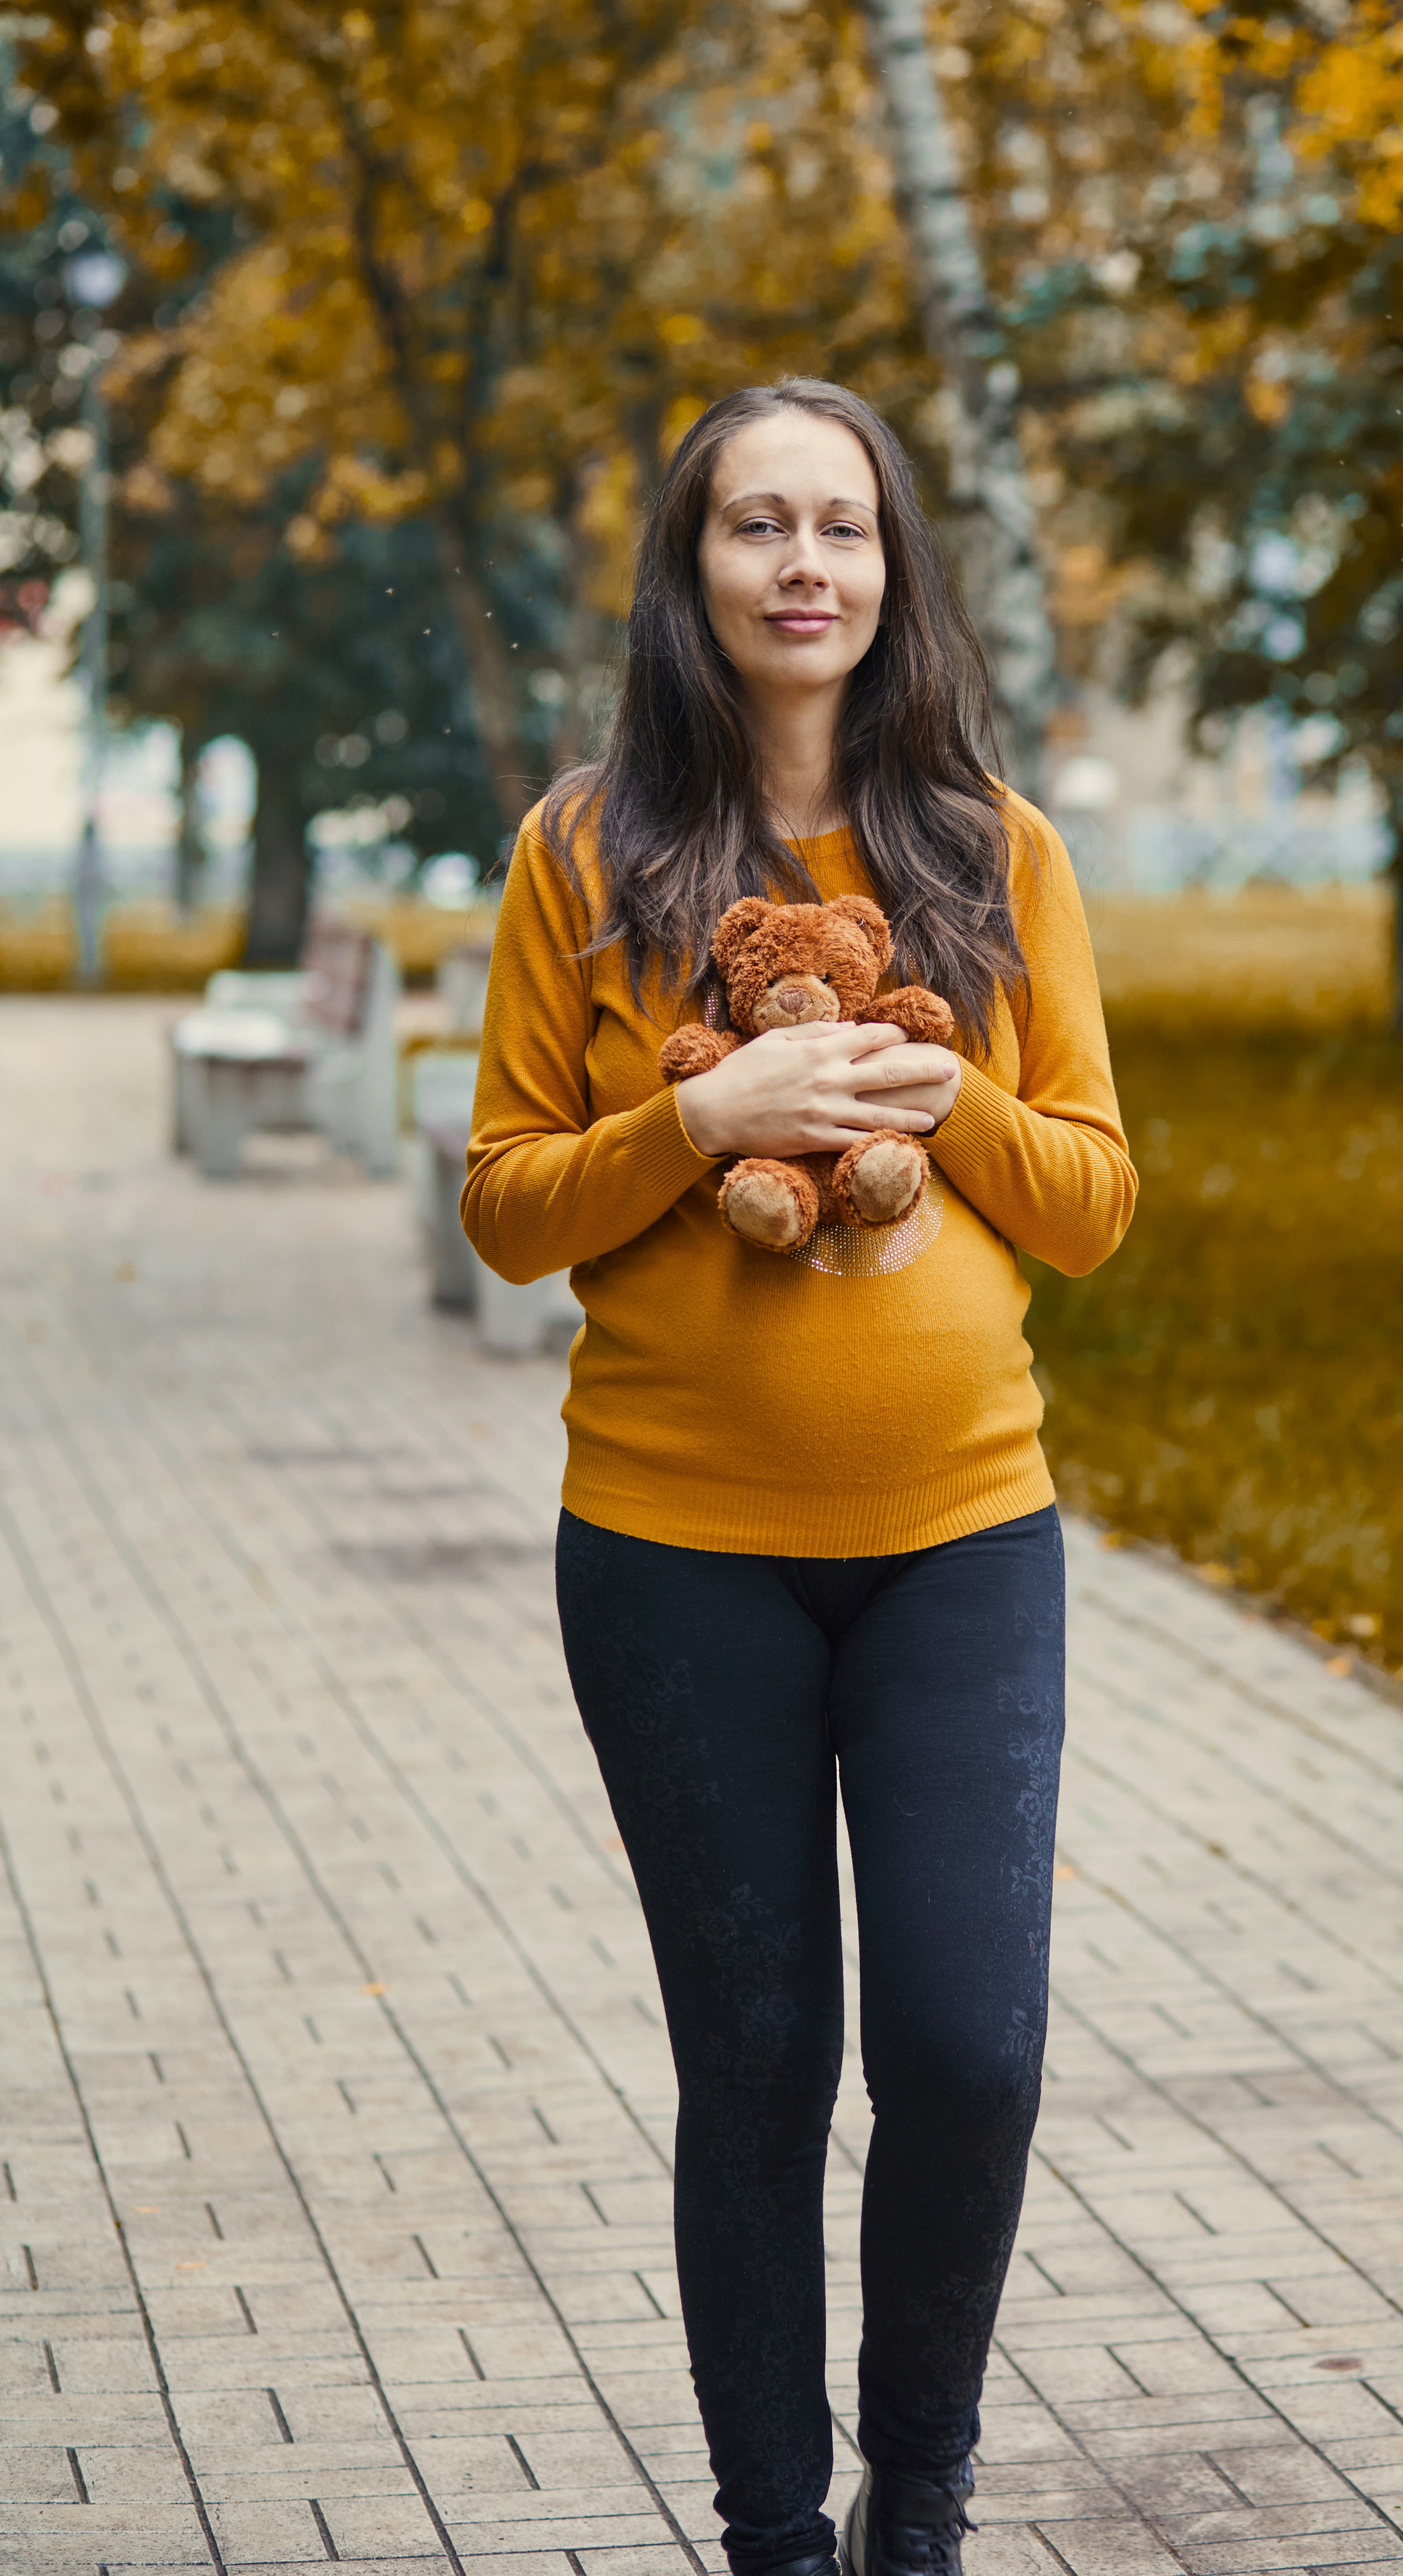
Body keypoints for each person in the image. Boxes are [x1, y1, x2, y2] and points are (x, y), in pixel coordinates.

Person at [463, 380, 1136, 2576]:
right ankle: (773, 2536)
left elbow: (1096, 1201)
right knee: (757, 2068)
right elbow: (506, 1204)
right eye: (759, 526)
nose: (805, 565)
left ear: (893, 570)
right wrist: (710, 1116)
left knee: (968, 2050)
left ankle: (911, 2498)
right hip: (672, 1561)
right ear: (697, 572)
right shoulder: (585, 856)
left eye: (841, 526)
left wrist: (936, 1116)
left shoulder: (993, 851)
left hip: (963, 1542)